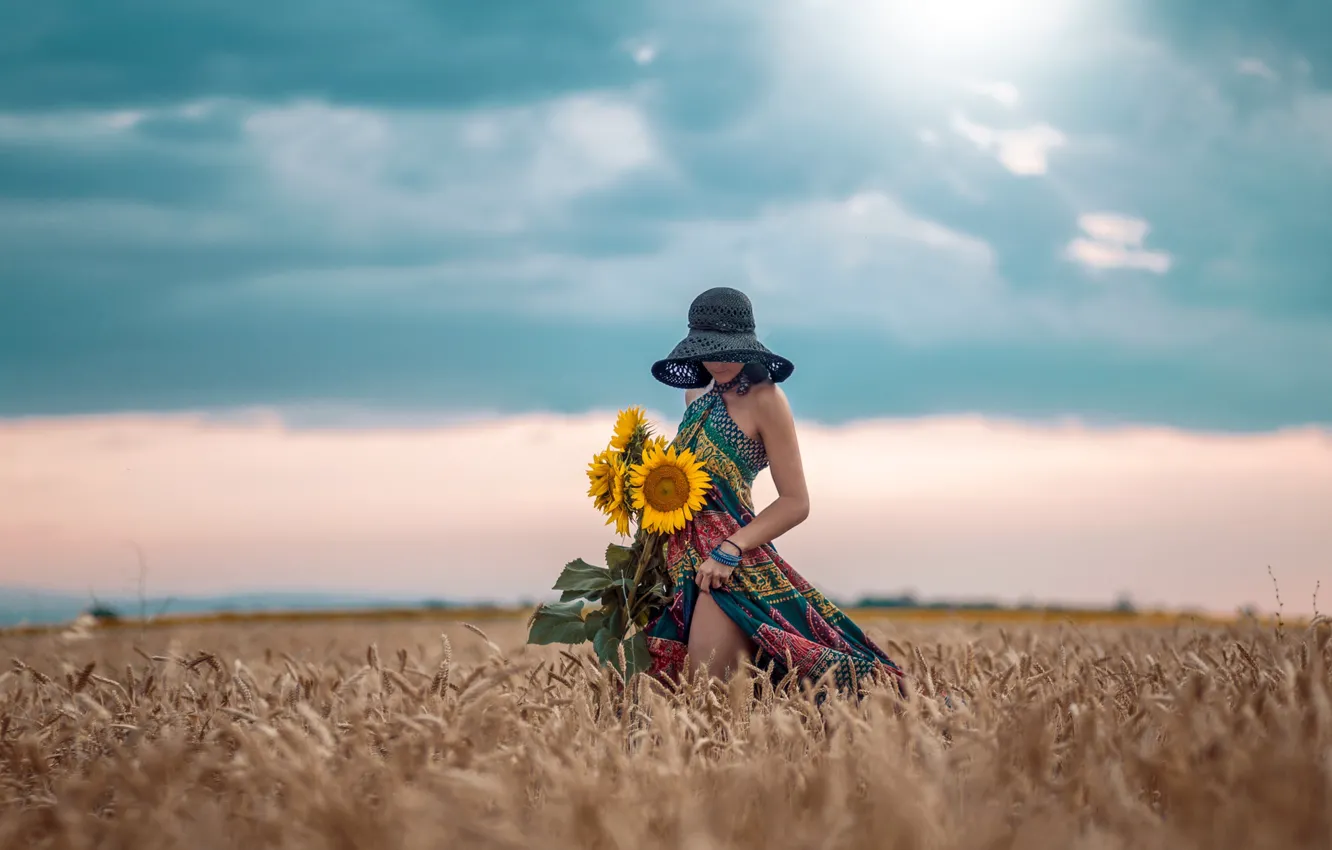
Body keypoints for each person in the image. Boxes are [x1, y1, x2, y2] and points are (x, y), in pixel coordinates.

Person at [643, 287, 906, 696]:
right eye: (710, 350)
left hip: (729, 567)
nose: (721, 361)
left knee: (706, 691)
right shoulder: (695, 395)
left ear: (749, 346)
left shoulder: (767, 399)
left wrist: (730, 549)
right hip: (679, 563)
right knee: (662, 694)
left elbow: (796, 502)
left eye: (730, 350)